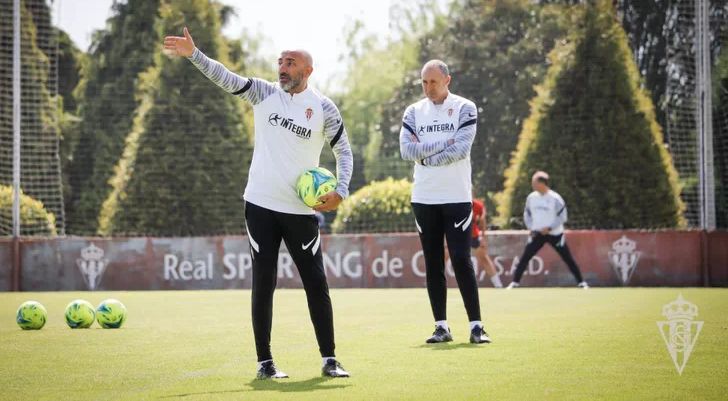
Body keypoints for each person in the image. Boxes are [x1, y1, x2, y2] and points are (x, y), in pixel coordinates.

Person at [163, 27, 352, 379]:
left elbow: (343, 150)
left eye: (290, 62)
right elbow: (226, 77)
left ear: (308, 70)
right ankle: (265, 363)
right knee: (264, 282)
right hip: (260, 205)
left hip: (300, 210)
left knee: (316, 282)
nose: (282, 67)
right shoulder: (264, 93)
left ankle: (330, 360)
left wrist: (341, 190)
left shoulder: (324, 107)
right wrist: (194, 54)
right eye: (280, 61)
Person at [400, 59, 491, 345]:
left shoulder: (465, 107)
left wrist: (425, 156)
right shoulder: (413, 111)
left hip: (456, 197)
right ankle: (441, 326)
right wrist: (443, 144)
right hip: (424, 198)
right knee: (433, 263)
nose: (428, 88)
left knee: (462, 260)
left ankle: (477, 327)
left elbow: (462, 149)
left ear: (447, 80)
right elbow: (406, 150)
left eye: (433, 82)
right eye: (424, 82)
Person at [506, 171, 589, 289]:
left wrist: (550, 228)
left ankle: (581, 282)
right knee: (525, 257)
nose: (532, 185)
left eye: (534, 183)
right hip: (537, 234)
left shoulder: (555, 198)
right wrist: (530, 227)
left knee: (567, 258)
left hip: (555, 234)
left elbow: (563, 217)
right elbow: (527, 214)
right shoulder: (531, 197)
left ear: (542, 183)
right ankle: (515, 282)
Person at [471, 193, 503, 288]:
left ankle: (498, 285)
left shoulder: (478, 205)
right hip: (458, 236)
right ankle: (436, 283)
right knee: (445, 256)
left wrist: (483, 239)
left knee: (484, 258)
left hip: (473, 236)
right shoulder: (455, 204)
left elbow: (482, 222)